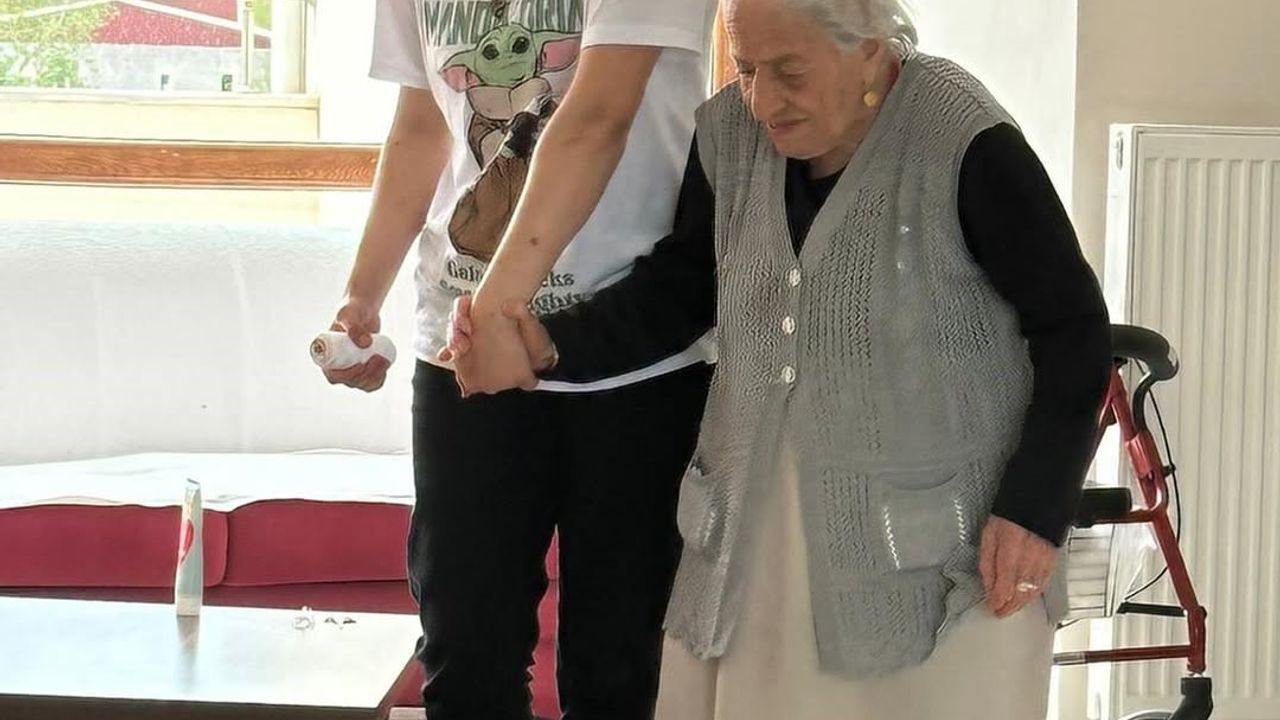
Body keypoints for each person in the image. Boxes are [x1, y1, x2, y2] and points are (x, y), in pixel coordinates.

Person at [441, 0, 1114, 718]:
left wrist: (1034, 510)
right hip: (764, 544)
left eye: (789, 71)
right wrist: (551, 346)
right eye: (747, 68)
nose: (762, 100)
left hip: (945, 559)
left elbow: (1073, 331)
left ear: (870, 48)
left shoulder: (964, 139)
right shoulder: (728, 134)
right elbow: (681, 291)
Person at [321, 1, 716, 718]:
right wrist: (362, 298)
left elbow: (598, 118)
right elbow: (422, 126)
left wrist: (499, 313)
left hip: (632, 354)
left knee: (620, 667)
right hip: (464, 354)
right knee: (464, 652)